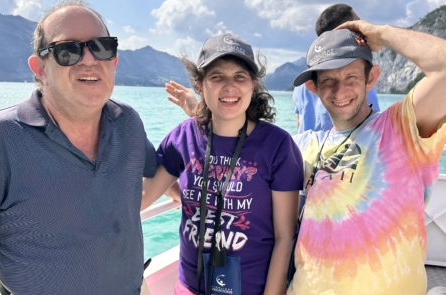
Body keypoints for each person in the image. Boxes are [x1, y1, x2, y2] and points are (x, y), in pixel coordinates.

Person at [0, 1, 157, 294]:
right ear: (39, 68)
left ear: (113, 61)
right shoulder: (0, 139)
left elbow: (158, 169)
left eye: (101, 46)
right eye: (68, 50)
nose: (89, 60)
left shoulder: (127, 122)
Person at [288, 20, 446, 294]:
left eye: (351, 78)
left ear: (371, 78)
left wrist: (381, 33)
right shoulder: (304, 144)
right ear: (314, 88)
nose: (340, 92)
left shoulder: (401, 128)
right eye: (328, 81)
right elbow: (245, 150)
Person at [142, 33, 304, 295]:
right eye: (217, 77)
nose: (230, 87)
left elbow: (284, 237)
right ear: (200, 85)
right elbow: (144, 195)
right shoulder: (184, 137)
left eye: (240, 77)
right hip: (189, 288)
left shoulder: (278, 146)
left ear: (253, 84)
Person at [293, 3, 380, 133]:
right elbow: (373, 124)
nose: (362, 30)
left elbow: (299, 122)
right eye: (357, 25)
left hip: (308, 152)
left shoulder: (306, 82)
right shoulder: (358, 77)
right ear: (346, 31)